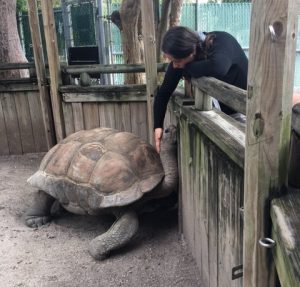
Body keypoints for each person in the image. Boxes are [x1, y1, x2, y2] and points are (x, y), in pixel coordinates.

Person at [153, 26, 248, 153]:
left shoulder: (222, 41)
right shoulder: (183, 59)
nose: (175, 65)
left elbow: (218, 67)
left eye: (177, 61)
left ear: (191, 52)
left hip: (245, 113)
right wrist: (157, 126)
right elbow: (164, 93)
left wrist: (186, 69)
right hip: (218, 114)